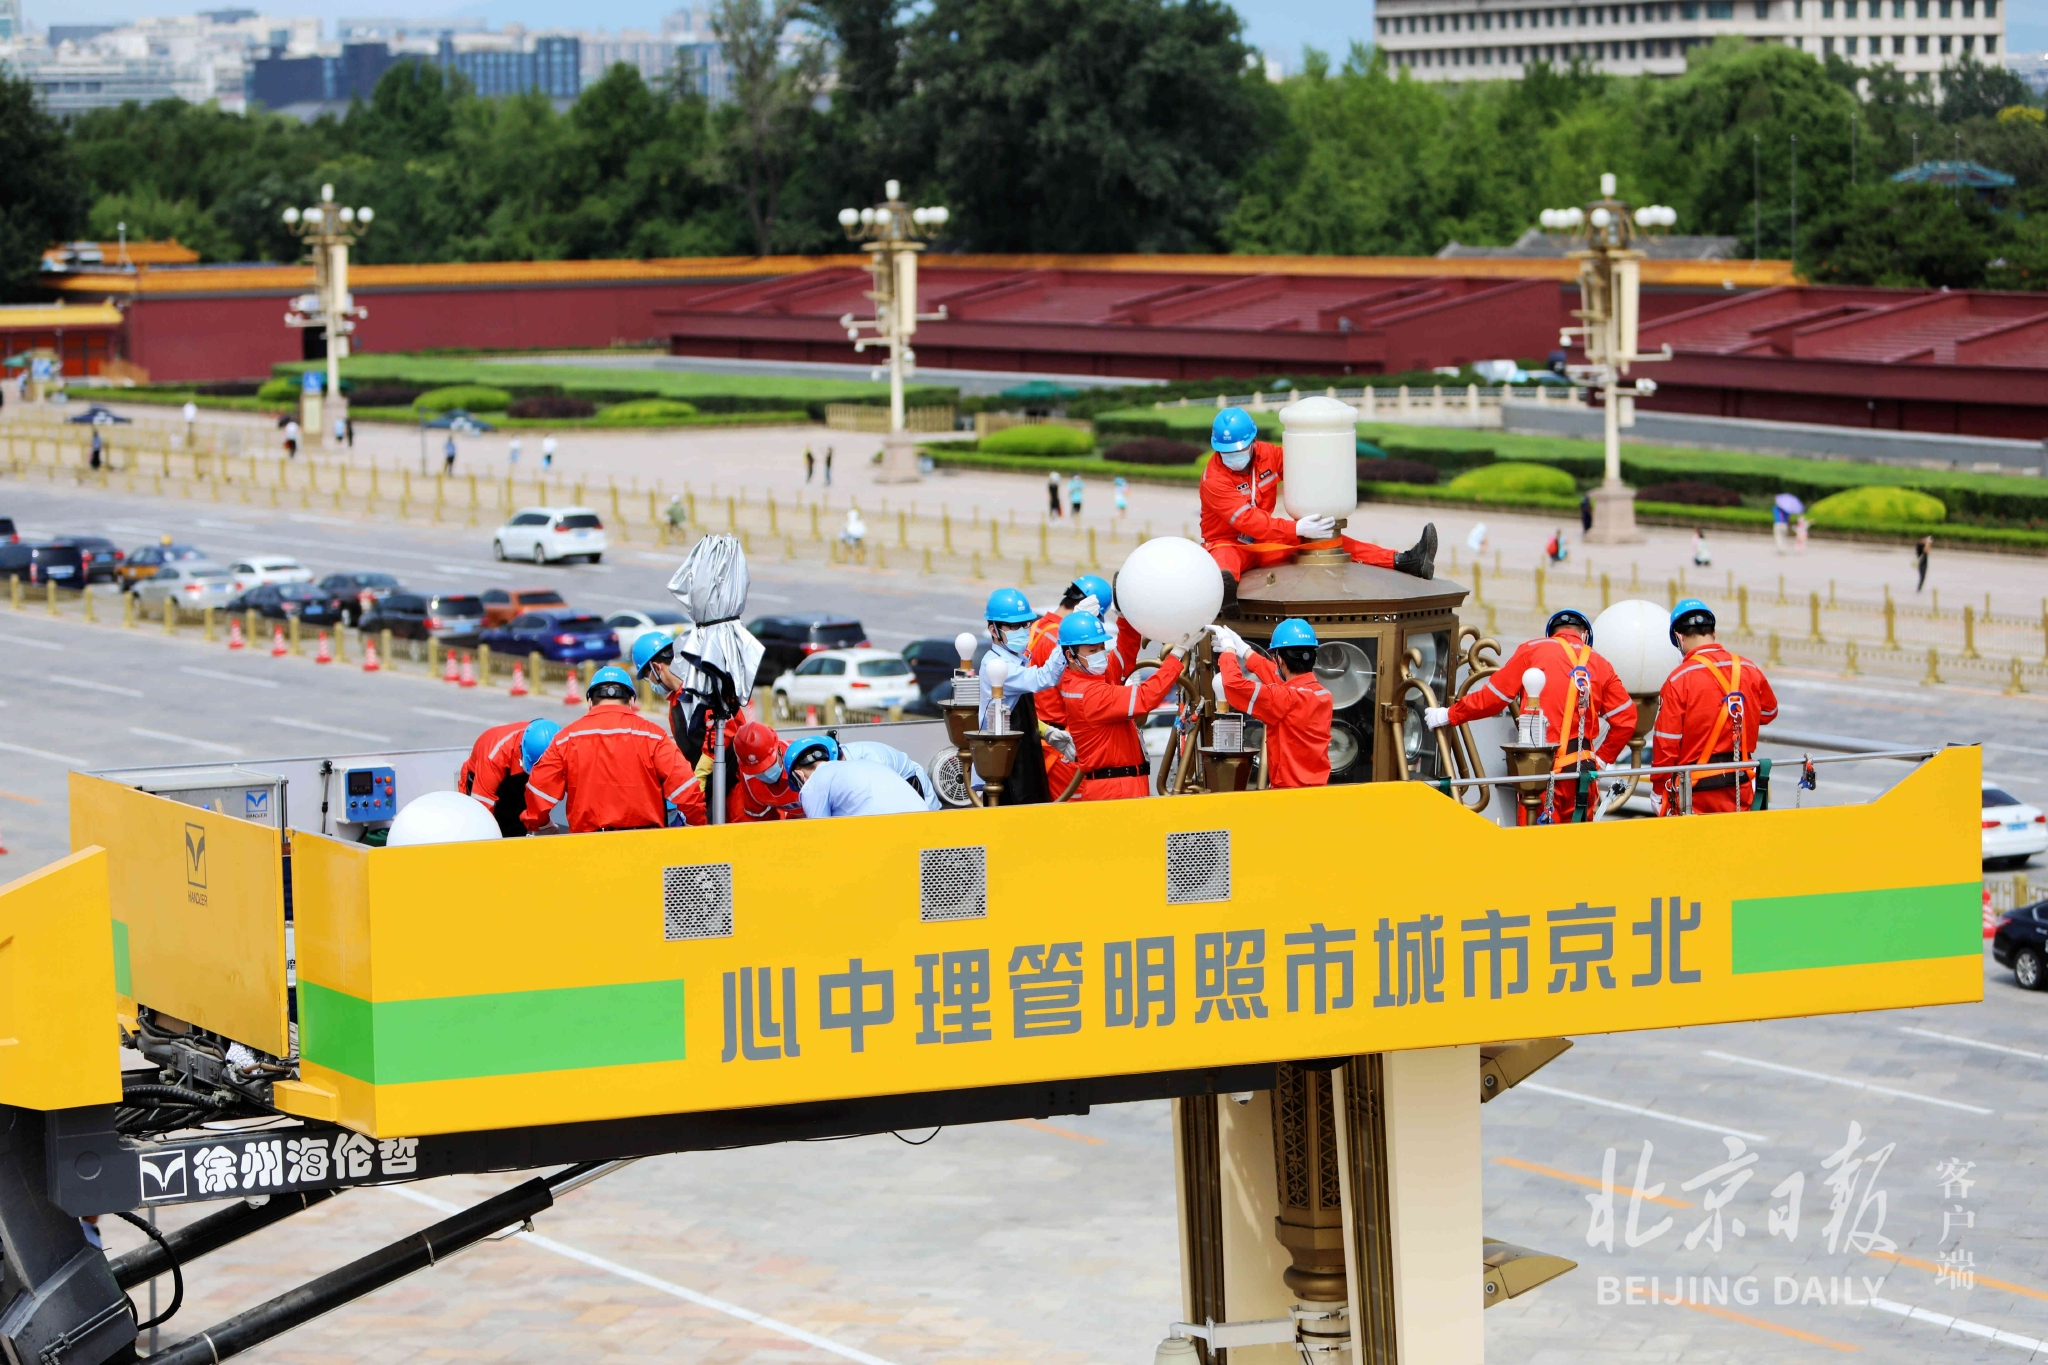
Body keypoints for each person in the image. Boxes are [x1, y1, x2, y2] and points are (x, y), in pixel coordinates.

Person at [1200, 406, 1434, 604]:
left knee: (1329, 541)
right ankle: (1223, 599)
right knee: (1225, 562)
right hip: (1227, 543)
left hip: (1263, 542)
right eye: (1226, 453)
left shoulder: (1269, 455)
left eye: (1240, 450)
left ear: (1253, 441)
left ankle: (1405, 561)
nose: (1233, 457)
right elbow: (1248, 521)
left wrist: (1326, 488)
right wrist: (1296, 529)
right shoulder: (1214, 480)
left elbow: (1303, 467)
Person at [1428, 608, 1636, 825]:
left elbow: (1494, 698)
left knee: (1535, 843)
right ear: (1584, 635)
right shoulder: (1600, 664)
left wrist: (1449, 714)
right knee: (1578, 845)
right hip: (1582, 774)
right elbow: (1627, 718)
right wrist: (1601, 759)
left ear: (1552, 633)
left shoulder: (1533, 649)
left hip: (1540, 772)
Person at [524, 665, 707, 832]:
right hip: (644, 844)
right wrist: (695, 823)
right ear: (631, 701)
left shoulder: (566, 739)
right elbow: (686, 787)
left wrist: (541, 826)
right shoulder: (654, 736)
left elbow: (539, 790)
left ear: (590, 702)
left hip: (587, 846)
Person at [1650, 599, 1779, 817]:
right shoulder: (1747, 667)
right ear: (1714, 633)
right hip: (1741, 783)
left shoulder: (1679, 679)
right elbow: (1769, 712)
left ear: (1679, 638)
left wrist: (1657, 790)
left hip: (1696, 792)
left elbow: (1666, 743)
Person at [1053, 610, 1196, 801]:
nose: (1100, 654)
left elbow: (1125, 652)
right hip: (1114, 789)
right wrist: (1176, 656)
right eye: (1092, 650)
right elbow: (1144, 698)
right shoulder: (1088, 693)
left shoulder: (1090, 678)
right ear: (1070, 656)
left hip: (1121, 783)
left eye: (1101, 647)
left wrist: (1126, 615)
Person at [1209, 618, 1333, 788]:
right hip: (1318, 791)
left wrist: (1228, 651)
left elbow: (1232, 684)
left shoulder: (1285, 699)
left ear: (1280, 660)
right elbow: (1278, 678)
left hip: (1288, 796)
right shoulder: (1322, 694)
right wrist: (1244, 650)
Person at [1021, 575, 1111, 798]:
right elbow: (1085, 688)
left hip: (1040, 739)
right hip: (1061, 746)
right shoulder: (1061, 642)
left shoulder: (1037, 628)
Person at [976, 587, 1068, 803]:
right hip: (1008, 769)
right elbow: (1043, 678)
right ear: (993, 629)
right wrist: (1066, 634)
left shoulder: (1015, 659)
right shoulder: (996, 665)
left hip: (1024, 757)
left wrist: (1046, 732)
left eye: (1025, 624)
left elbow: (1016, 711)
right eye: (1014, 626)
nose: (1022, 630)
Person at [784, 735, 927, 817]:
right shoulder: (863, 764)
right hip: (925, 821)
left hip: (888, 833)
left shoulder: (812, 785)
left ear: (799, 775)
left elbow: (820, 835)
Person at [729, 720, 803, 822]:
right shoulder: (748, 779)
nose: (764, 773)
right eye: (757, 771)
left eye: (768, 765)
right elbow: (760, 822)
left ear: (779, 750)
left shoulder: (804, 760)